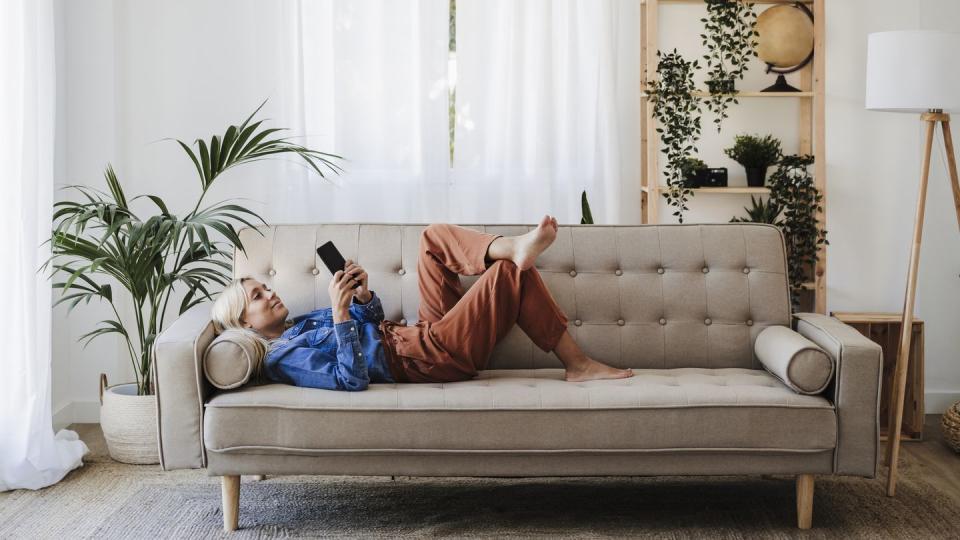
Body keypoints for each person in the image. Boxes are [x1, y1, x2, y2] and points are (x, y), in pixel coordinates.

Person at [210, 215, 634, 391]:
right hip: (423, 359)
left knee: (432, 238)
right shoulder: (283, 357)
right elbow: (351, 379)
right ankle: (577, 365)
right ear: (243, 322)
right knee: (510, 274)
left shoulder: (298, 325)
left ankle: (511, 245)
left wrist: (362, 297)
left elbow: (369, 322)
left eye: (265, 287)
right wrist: (340, 316)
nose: (270, 293)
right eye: (258, 297)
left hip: (420, 337)